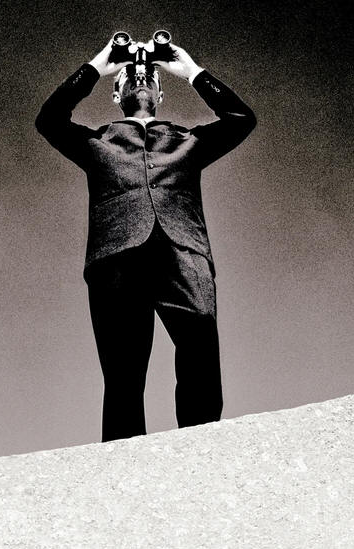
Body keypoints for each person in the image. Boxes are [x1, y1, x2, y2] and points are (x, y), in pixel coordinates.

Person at [35, 34, 256, 442]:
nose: (141, 77)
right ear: (115, 93)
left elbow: (241, 119)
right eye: (131, 76)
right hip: (116, 259)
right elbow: (49, 120)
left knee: (200, 348)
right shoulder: (97, 142)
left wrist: (190, 70)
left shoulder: (188, 141)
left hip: (184, 252)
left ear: (160, 94)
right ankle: (123, 464)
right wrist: (101, 64)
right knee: (123, 373)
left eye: (151, 75)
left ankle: (201, 449)